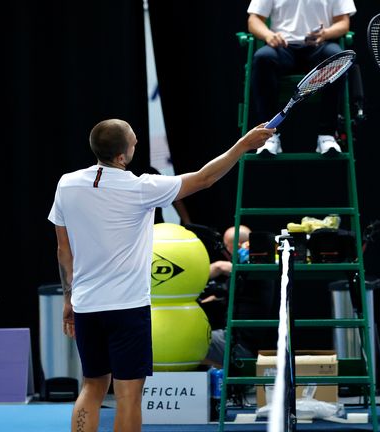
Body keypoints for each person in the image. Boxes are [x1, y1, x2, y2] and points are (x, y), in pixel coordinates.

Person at [48, 119, 273, 432]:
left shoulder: (66, 184)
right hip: (127, 309)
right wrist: (243, 145)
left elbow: (63, 250)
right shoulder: (141, 188)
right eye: (134, 141)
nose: (136, 142)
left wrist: (69, 298)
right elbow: (205, 178)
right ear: (122, 156)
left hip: (87, 306)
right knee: (128, 397)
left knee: (92, 386)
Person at [247, 0, 356, 155]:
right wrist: (268, 35)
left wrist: (326, 33)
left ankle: (327, 135)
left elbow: (343, 23)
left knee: (336, 57)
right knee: (263, 58)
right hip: (283, 47)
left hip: (319, 46)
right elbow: (254, 20)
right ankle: (268, 135)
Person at [202, 225, 252, 367]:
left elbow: (220, 267)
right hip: (244, 340)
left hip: (239, 344)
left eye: (225, 246)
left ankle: (231, 375)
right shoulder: (258, 267)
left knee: (188, 343)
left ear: (235, 246)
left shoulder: (247, 267)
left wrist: (191, 279)